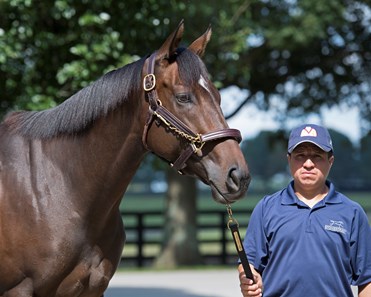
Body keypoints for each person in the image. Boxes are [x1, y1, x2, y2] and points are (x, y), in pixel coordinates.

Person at [238, 124, 371, 297]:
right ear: (289, 159)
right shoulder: (266, 208)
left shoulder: (352, 213)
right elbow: (249, 262)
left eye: (317, 156)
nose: (308, 164)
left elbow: (367, 278)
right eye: (300, 156)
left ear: (330, 161)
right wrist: (247, 279)